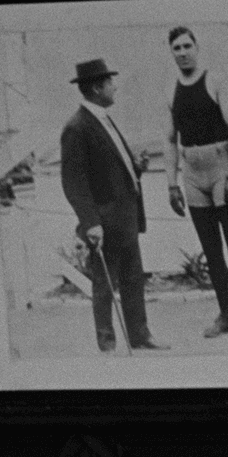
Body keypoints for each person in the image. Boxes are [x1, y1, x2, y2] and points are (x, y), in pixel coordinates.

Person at [164, 25, 228, 349]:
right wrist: (171, 185)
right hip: (192, 172)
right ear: (172, 53)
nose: (182, 53)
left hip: (221, 168)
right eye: (176, 48)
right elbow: (168, 140)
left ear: (197, 46)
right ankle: (226, 316)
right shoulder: (170, 91)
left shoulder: (215, 80)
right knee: (211, 251)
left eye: (186, 46)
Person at [60, 57, 168, 353]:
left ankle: (140, 335)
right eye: (110, 83)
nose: (115, 88)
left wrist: (136, 168)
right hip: (105, 223)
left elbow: (109, 168)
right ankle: (107, 344)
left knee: (133, 279)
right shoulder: (77, 127)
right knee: (104, 285)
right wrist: (91, 222)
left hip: (126, 217)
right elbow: (74, 182)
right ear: (97, 87)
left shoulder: (103, 119)